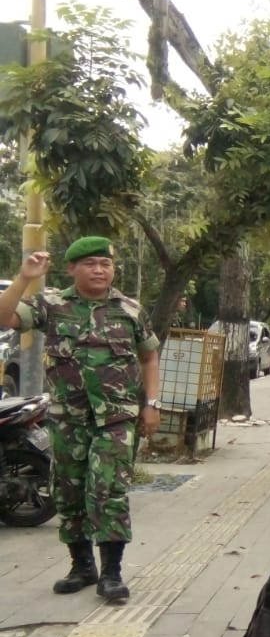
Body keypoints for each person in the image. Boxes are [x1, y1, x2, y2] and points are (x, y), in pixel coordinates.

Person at [0, 237, 161, 604]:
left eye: (105, 264)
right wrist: (24, 278)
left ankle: (112, 573)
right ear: (72, 269)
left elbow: (149, 356)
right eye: (90, 263)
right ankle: (82, 566)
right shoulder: (52, 305)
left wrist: (152, 403)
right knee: (68, 492)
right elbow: (4, 317)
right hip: (68, 420)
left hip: (116, 419)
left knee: (108, 492)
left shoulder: (130, 309)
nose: (99, 270)